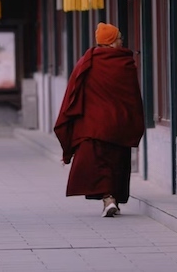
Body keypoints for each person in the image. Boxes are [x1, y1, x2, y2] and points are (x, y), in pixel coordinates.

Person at [54, 22, 145, 217]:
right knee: (117, 162)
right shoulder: (125, 63)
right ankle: (112, 199)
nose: (122, 42)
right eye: (119, 38)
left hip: (93, 125)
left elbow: (73, 92)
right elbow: (133, 97)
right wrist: (134, 122)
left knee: (99, 164)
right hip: (119, 124)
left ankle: (108, 199)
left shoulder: (87, 61)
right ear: (111, 42)